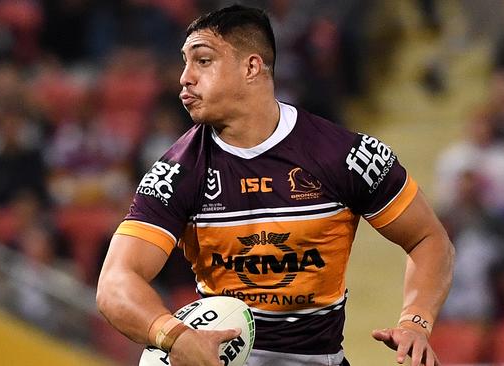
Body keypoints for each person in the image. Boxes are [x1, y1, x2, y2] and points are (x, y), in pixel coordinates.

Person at [96, 5, 454, 366]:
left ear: (251, 67)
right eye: (185, 62)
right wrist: (173, 335)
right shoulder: (176, 172)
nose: (184, 78)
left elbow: (429, 239)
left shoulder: (344, 155)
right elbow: (115, 282)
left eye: (202, 61)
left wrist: (416, 321)